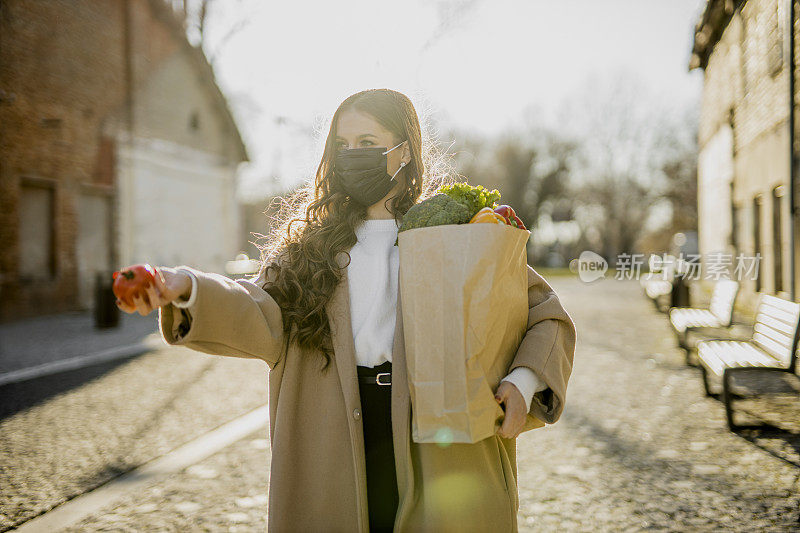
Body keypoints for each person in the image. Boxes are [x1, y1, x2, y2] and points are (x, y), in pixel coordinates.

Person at [116, 88, 576, 532]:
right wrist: (186, 287)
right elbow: (255, 309)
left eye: (368, 143)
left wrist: (522, 382)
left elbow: (544, 313)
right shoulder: (307, 249)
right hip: (331, 432)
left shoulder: (458, 234)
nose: (352, 154)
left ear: (404, 152)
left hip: (439, 437)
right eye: (342, 145)